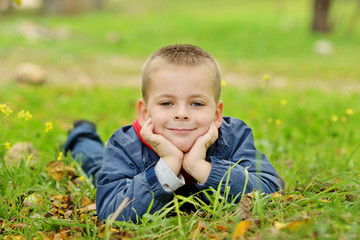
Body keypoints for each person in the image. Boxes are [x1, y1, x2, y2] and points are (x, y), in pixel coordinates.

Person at [64, 44, 284, 223]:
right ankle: (82, 134)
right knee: (95, 165)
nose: (181, 114)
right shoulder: (125, 144)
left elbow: (271, 193)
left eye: (196, 103)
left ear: (217, 114)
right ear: (144, 112)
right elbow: (112, 214)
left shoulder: (233, 136)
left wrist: (201, 167)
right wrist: (168, 166)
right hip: (129, 173)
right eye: (167, 103)